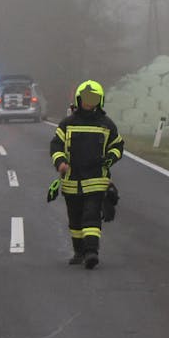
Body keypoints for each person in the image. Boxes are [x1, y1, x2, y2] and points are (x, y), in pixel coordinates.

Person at [50, 80, 124, 269]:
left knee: (91, 216)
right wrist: (60, 162)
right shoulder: (67, 124)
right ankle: (79, 252)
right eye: (86, 98)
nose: (89, 102)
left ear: (100, 101)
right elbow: (56, 145)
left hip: (96, 180)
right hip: (71, 182)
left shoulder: (106, 124)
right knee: (74, 219)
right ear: (79, 99)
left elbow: (117, 146)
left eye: (94, 99)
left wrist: (110, 158)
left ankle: (92, 252)